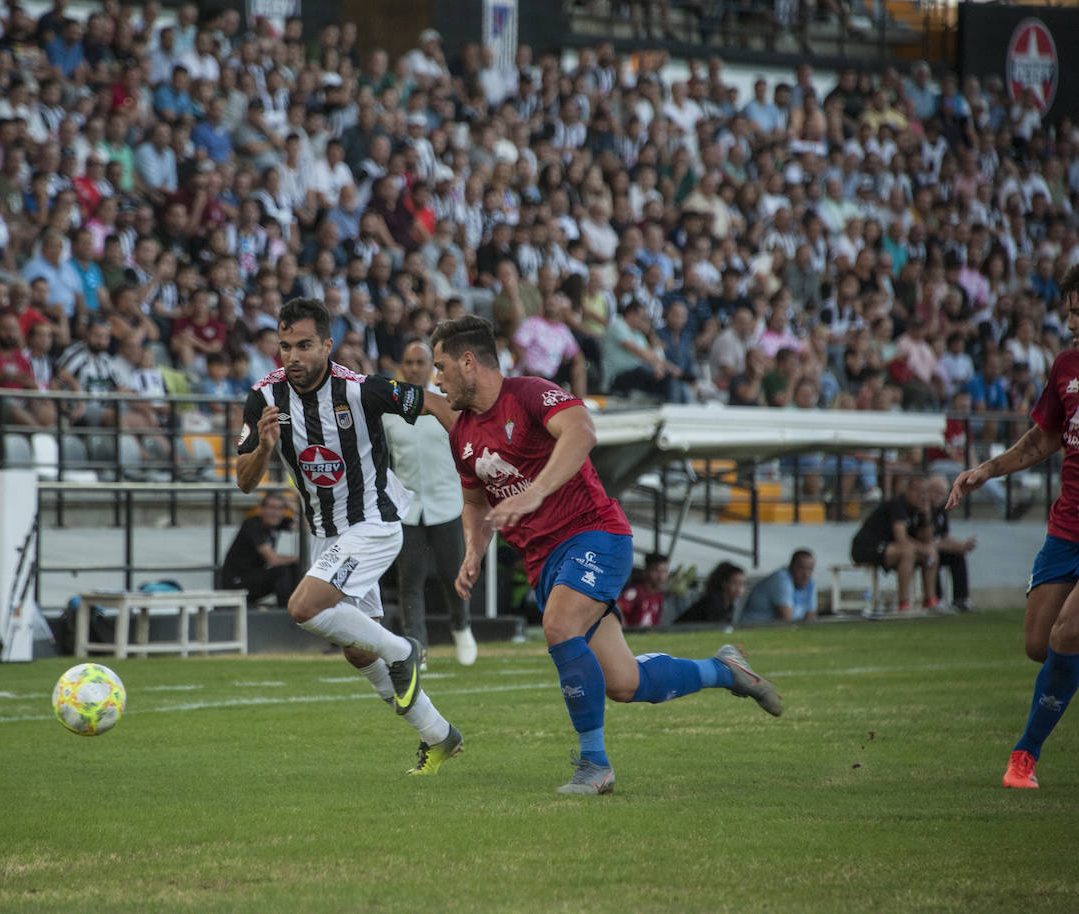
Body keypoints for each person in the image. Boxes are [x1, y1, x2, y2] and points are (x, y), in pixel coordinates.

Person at [429, 315, 780, 795]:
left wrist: (535, 493)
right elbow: (474, 503)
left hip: (594, 533)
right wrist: (474, 549)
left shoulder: (529, 392)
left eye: (442, 366)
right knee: (625, 682)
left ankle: (595, 765)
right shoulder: (462, 434)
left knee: (558, 626)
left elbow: (582, 433)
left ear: (469, 361)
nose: (436, 378)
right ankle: (724, 670)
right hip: (544, 562)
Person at [234, 297, 463, 775]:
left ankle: (405, 652)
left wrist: (475, 462)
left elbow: (437, 404)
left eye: (303, 345)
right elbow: (244, 481)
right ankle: (439, 735)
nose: (292, 356)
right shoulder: (263, 398)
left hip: (374, 524)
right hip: (326, 535)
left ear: (327, 345)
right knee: (359, 649)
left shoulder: (363, 390)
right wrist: (265, 448)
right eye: (284, 346)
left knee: (302, 608)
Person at [946, 264, 1079, 789]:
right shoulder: (1066, 365)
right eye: (1068, 311)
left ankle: (1024, 756)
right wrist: (984, 469)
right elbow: (1041, 440)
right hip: (1066, 526)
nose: (1072, 321)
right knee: (1039, 643)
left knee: (1069, 632)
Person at [381, 340, 477, 667]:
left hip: (447, 503)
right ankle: (416, 647)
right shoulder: (389, 411)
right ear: (402, 367)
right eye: (408, 362)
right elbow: (384, 460)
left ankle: (461, 626)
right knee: (410, 581)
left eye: (421, 362)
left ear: (431, 367)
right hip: (407, 509)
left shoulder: (449, 405)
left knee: (455, 574)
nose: (414, 368)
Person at [851, 475, 937, 612]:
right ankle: (903, 603)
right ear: (907, 490)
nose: (921, 496)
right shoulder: (897, 504)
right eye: (917, 491)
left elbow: (927, 539)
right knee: (907, 552)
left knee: (931, 553)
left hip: (889, 549)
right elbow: (901, 538)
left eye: (924, 492)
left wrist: (926, 516)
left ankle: (930, 600)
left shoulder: (918, 511)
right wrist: (925, 549)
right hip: (867, 547)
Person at [217, 491, 299, 608]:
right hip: (236, 583)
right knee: (281, 571)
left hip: (253, 577)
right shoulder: (252, 524)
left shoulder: (277, 522)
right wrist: (296, 559)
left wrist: (292, 506)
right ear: (261, 509)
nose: (275, 513)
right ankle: (286, 611)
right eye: (271, 508)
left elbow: (307, 525)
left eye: (280, 508)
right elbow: (273, 560)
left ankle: (297, 608)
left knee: (295, 569)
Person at [924, 476, 974, 613]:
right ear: (927, 492)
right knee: (932, 557)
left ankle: (961, 598)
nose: (939, 497)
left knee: (958, 555)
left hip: (937, 548)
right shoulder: (922, 510)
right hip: (923, 551)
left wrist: (962, 545)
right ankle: (936, 598)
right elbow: (929, 542)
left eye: (942, 493)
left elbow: (945, 537)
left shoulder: (941, 510)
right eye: (935, 492)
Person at [741, 550, 817, 623]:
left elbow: (810, 618)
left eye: (810, 569)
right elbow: (787, 620)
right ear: (791, 566)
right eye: (801, 568)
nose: (806, 574)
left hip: (773, 631)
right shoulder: (780, 579)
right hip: (751, 628)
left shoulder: (809, 582)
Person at [675, 561, 746, 625]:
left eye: (742, 584)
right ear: (724, 583)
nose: (740, 589)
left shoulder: (729, 605)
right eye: (735, 583)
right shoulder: (714, 603)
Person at [616, 552, 668, 629]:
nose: (660, 576)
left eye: (664, 571)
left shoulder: (659, 596)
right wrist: (624, 630)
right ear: (646, 571)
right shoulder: (635, 591)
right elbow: (618, 607)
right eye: (656, 571)